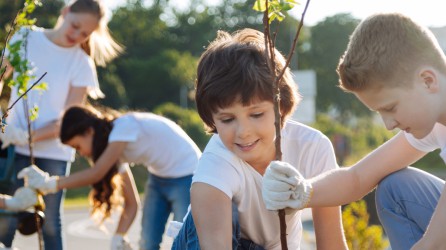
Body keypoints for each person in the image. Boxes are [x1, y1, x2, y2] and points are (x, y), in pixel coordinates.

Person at [261, 12, 446, 250]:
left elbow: (434, 243)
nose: (389, 125)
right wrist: (303, 192)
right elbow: (357, 178)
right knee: (396, 188)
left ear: (428, 81)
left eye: (390, 108)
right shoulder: (433, 116)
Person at [170, 28, 348, 250]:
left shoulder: (313, 148)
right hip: (205, 242)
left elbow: (331, 244)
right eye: (227, 119)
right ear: (212, 119)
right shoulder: (216, 164)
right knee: (221, 211)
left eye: (256, 115)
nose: (243, 132)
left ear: (281, 106)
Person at [0, 0, 123, 249]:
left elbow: (68, 122)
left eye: (85, 33)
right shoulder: (25, 36)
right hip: (12, 146)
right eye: (75, 26)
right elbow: (1, 75)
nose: (76, 36)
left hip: (54, 152)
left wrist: (26, 135)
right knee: (7, 219)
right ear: (65, 13)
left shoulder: (82, 64)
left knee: (50, 225)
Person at [19, 105, 202, 250]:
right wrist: (118, 237)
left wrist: (50, 183)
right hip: (159, 177)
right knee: (147, 243)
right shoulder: (114, 149)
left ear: (89, 131)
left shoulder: (123, 128)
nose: (80, 153)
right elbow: (132, 203)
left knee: (185, 242)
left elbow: (96, 173)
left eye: (77, 146)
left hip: (188, 175)